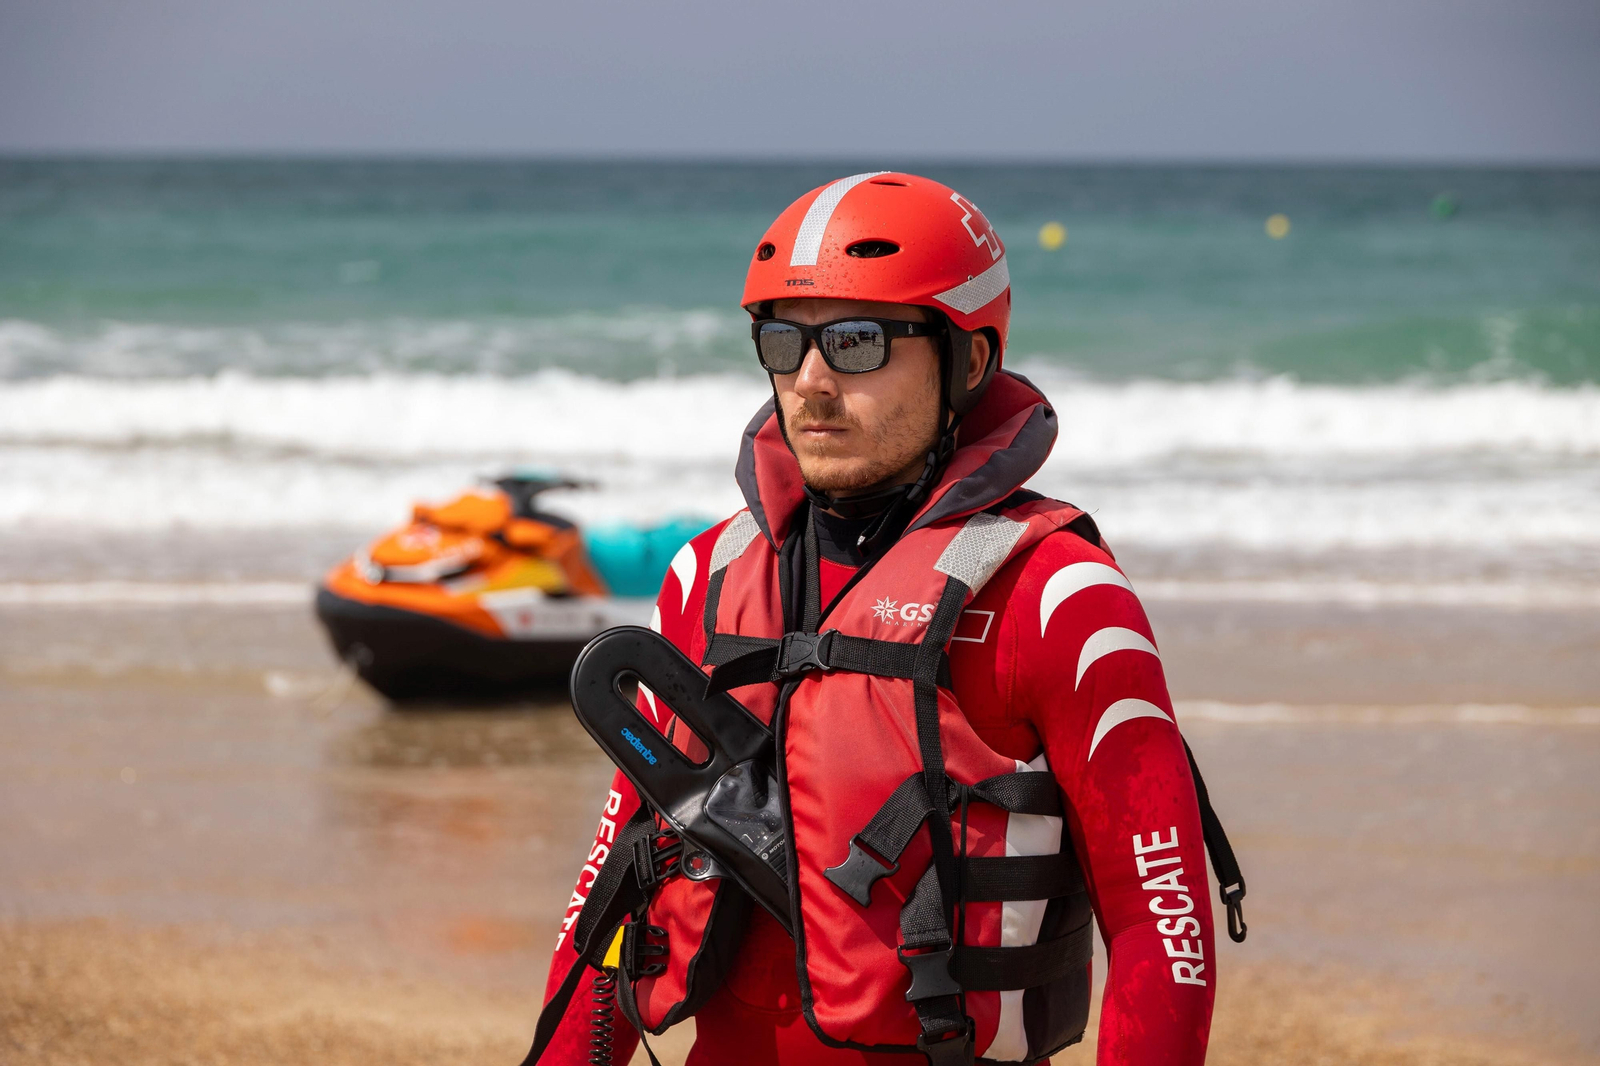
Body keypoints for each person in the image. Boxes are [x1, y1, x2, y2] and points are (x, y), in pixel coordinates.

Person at [527, 172, 1243, 1066]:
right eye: (784, 342)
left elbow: (1159, 926)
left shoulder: (1058, 597)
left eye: (859, 342)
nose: (812, 383)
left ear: (968, 360)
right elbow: (614, 886)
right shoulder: (703, 579)